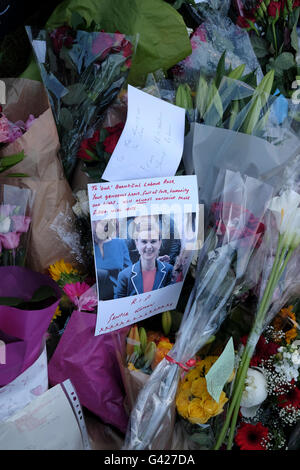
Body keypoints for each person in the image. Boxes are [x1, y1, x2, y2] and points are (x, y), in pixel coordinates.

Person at [115, 216, 174, 298]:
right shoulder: (124, 276)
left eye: (153, 241)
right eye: (144, 241)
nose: (149, 246)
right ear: (137, 243)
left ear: (160, 243)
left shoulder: (169, 271)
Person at [94, 219, 132, 300]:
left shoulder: (119, 243)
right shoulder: (91, 245)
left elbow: (129, 271)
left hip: (117, 296)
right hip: (95, 297)